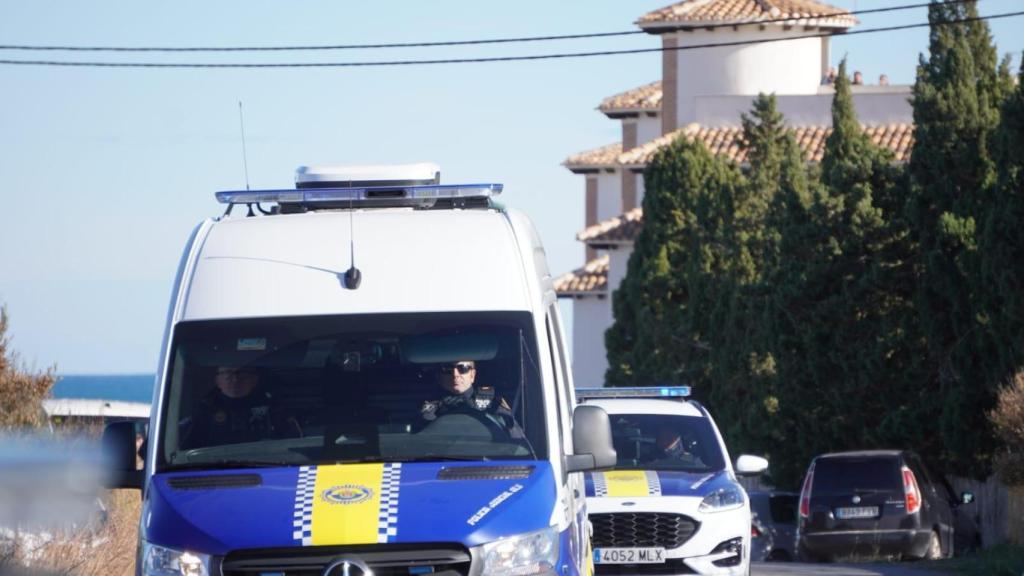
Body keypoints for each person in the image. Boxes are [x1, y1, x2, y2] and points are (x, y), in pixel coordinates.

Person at [182, 365, 299, 448]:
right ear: (217, 381)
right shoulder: (205, 409)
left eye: (243, 373)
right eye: (228, 373)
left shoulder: (272, 406)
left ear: (255, 379)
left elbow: (292, 441)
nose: (235, 379)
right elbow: (187, 447)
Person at [419, 360, 523, 438]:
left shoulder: (491, 403)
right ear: (439, 376)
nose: (455, 374)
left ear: (472, 375)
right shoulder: (431, 407)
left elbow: (515, 439)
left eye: (463, 368)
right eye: (447, 369)